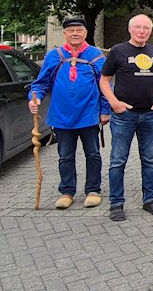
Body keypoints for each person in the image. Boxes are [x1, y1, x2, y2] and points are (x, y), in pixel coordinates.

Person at [27, 17, 110, 209]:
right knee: (65, 155)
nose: (75, 34)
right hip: (62, 117)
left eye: (79, 30)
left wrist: (105, 110)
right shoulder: (54, 56)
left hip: (89, 115)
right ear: (65, 34)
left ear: (85, 33)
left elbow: (105, 84)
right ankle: (67, 191)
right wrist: (35, 98)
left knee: (93, 154)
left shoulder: (95, 56)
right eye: (71, 31)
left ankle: (93, 190)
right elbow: (40, 83)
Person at [99, 14, 153, 221]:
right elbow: (104, 80)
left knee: (150, 160)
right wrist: (114, 102)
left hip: (150, 115)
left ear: (150, 31)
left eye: (146, 28)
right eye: (138, 27)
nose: (142, 31)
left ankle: (150, 199)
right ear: (130, 29)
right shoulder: (118, 51)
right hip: (124, 116)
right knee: (118, 161)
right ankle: (116, 203)